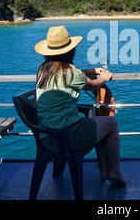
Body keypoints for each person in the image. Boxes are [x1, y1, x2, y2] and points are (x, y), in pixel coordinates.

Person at [34, 25, 126, 186]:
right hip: (66, 136)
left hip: (47, 135)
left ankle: (105, 169)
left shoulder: (43, 69)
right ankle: (114, 171)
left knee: (95, 120)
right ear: (70, 51)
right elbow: (93, 85)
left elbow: (67, 73)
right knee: (110, 123)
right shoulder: (70, 72)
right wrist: (105, 76)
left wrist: (91, 69)